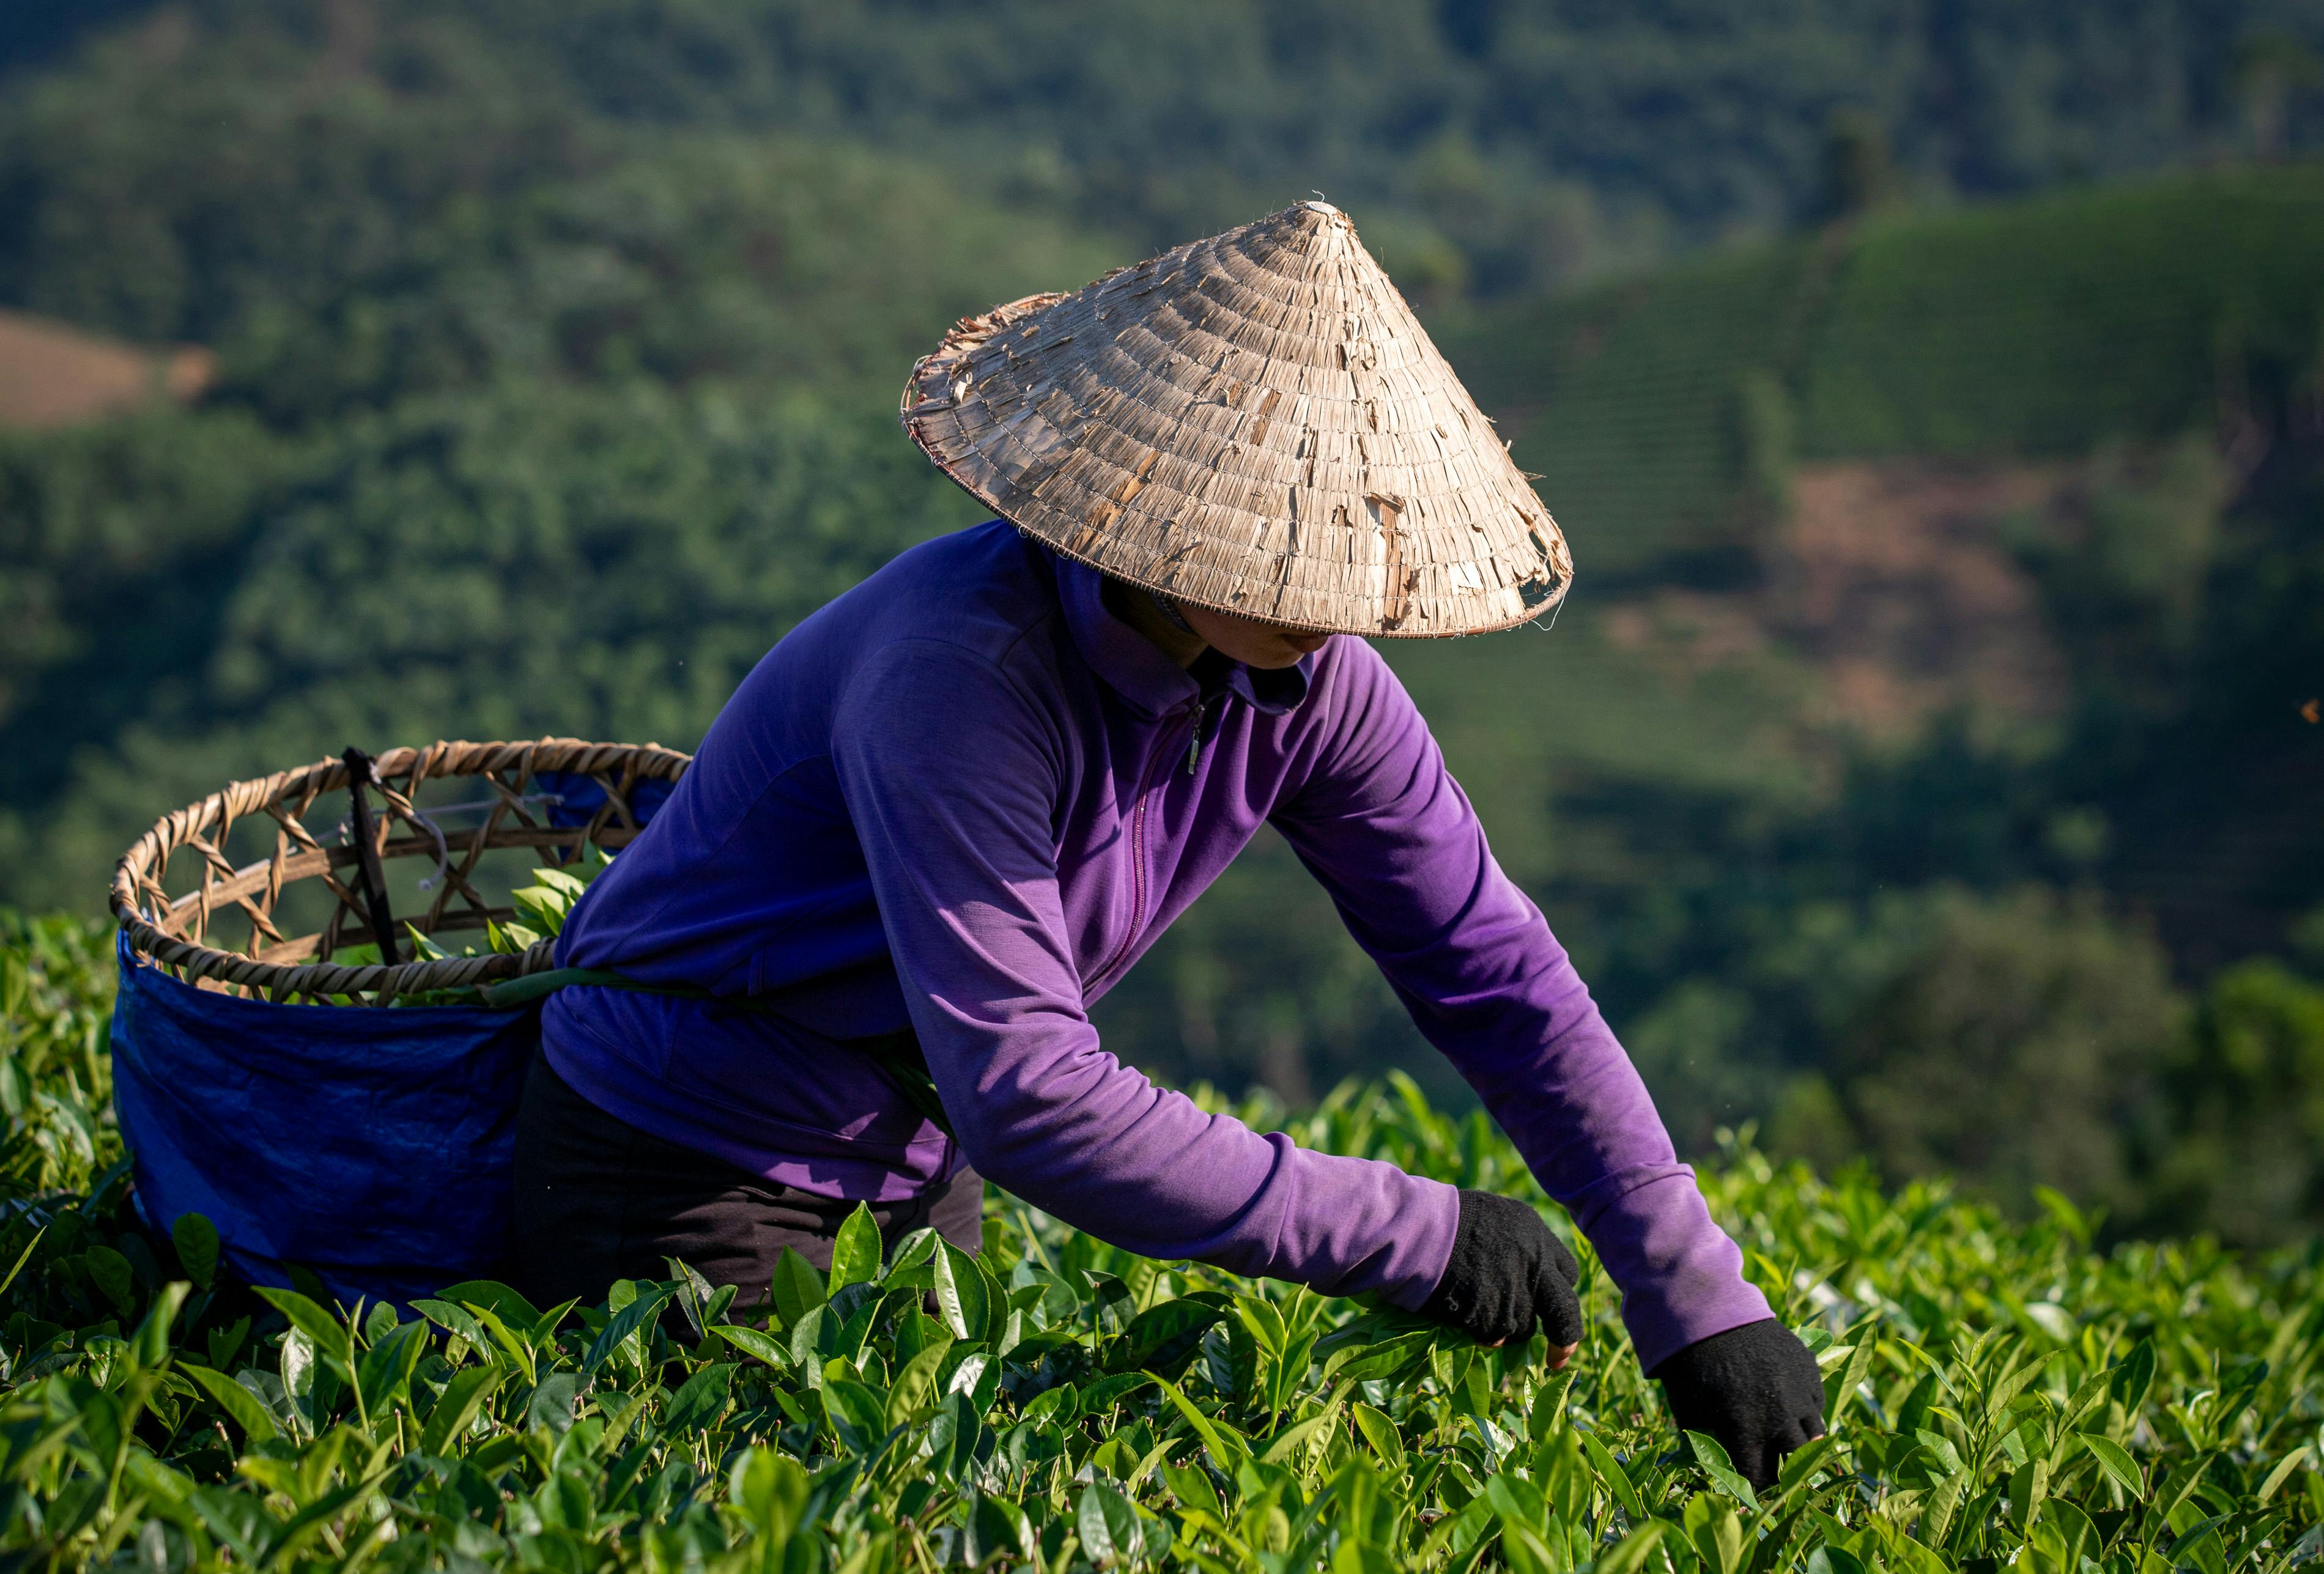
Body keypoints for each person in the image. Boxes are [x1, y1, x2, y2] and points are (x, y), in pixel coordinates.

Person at [513, 201, 1825, 1485]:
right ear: (1154, 500)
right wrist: (1417, 1232)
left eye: (1355, 535)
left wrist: (1695, 1293)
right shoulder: (960, 674)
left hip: (912, 1160)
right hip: (682, 1156)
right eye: (1284, 538)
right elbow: (1028, 1093)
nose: (1324, 589)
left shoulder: (1314, 684)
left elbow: (1490, 967)